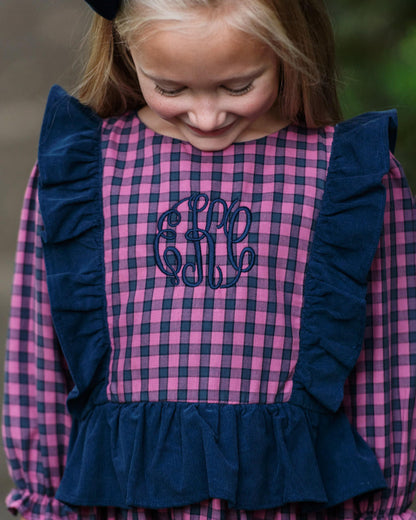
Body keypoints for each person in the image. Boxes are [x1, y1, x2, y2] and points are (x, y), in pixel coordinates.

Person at [2, 0, 416, 519]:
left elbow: (389, 360)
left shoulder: (347, 179)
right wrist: (43, 500)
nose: (206, 116)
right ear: (129, 52)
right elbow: (39, 353)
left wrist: (388, 507)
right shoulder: (81, 174)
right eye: (171, 89)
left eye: (238, 87)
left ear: (289, 47)